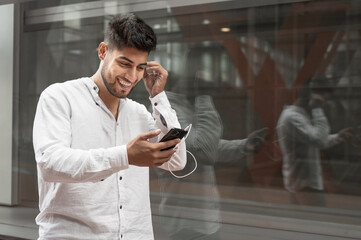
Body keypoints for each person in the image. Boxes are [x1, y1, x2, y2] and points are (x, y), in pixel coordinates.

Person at [32, 13, 186, 240]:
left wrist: (158, 97)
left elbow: (176, 161)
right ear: (103, 51)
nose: (132, 76)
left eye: (140, 67)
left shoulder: (138, 112)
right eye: (125, 64)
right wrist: (125, 156)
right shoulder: (59, 97)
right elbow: (50, 164)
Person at [156, 91, 266, 240]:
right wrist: (204, 98)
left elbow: (208, 147)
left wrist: (243, 146)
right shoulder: (167, 110)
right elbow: (199, 149)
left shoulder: (186, 106)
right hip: (187, 220)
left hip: (203, 217)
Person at [277, 76, 350, 205]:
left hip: (308, 183)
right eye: (322, 99)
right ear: (311, 96)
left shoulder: (300, 115)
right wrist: (317, 109)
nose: (324, 103)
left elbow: (315, 141)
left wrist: (337, 138)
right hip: (304, 185)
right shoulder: (293, 117)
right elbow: (318, 140)